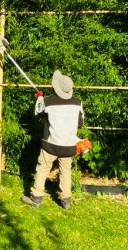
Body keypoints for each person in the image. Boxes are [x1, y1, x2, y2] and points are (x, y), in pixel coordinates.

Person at [21, 70, 84, 210]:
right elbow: (80, 123)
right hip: (69, 145)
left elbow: (38, 113)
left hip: (51, 144)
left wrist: (39, 98)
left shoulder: (48, 101)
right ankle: (66, 200)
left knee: (43, 168)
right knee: (65, 171)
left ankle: (36, 197)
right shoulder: (77, 103)